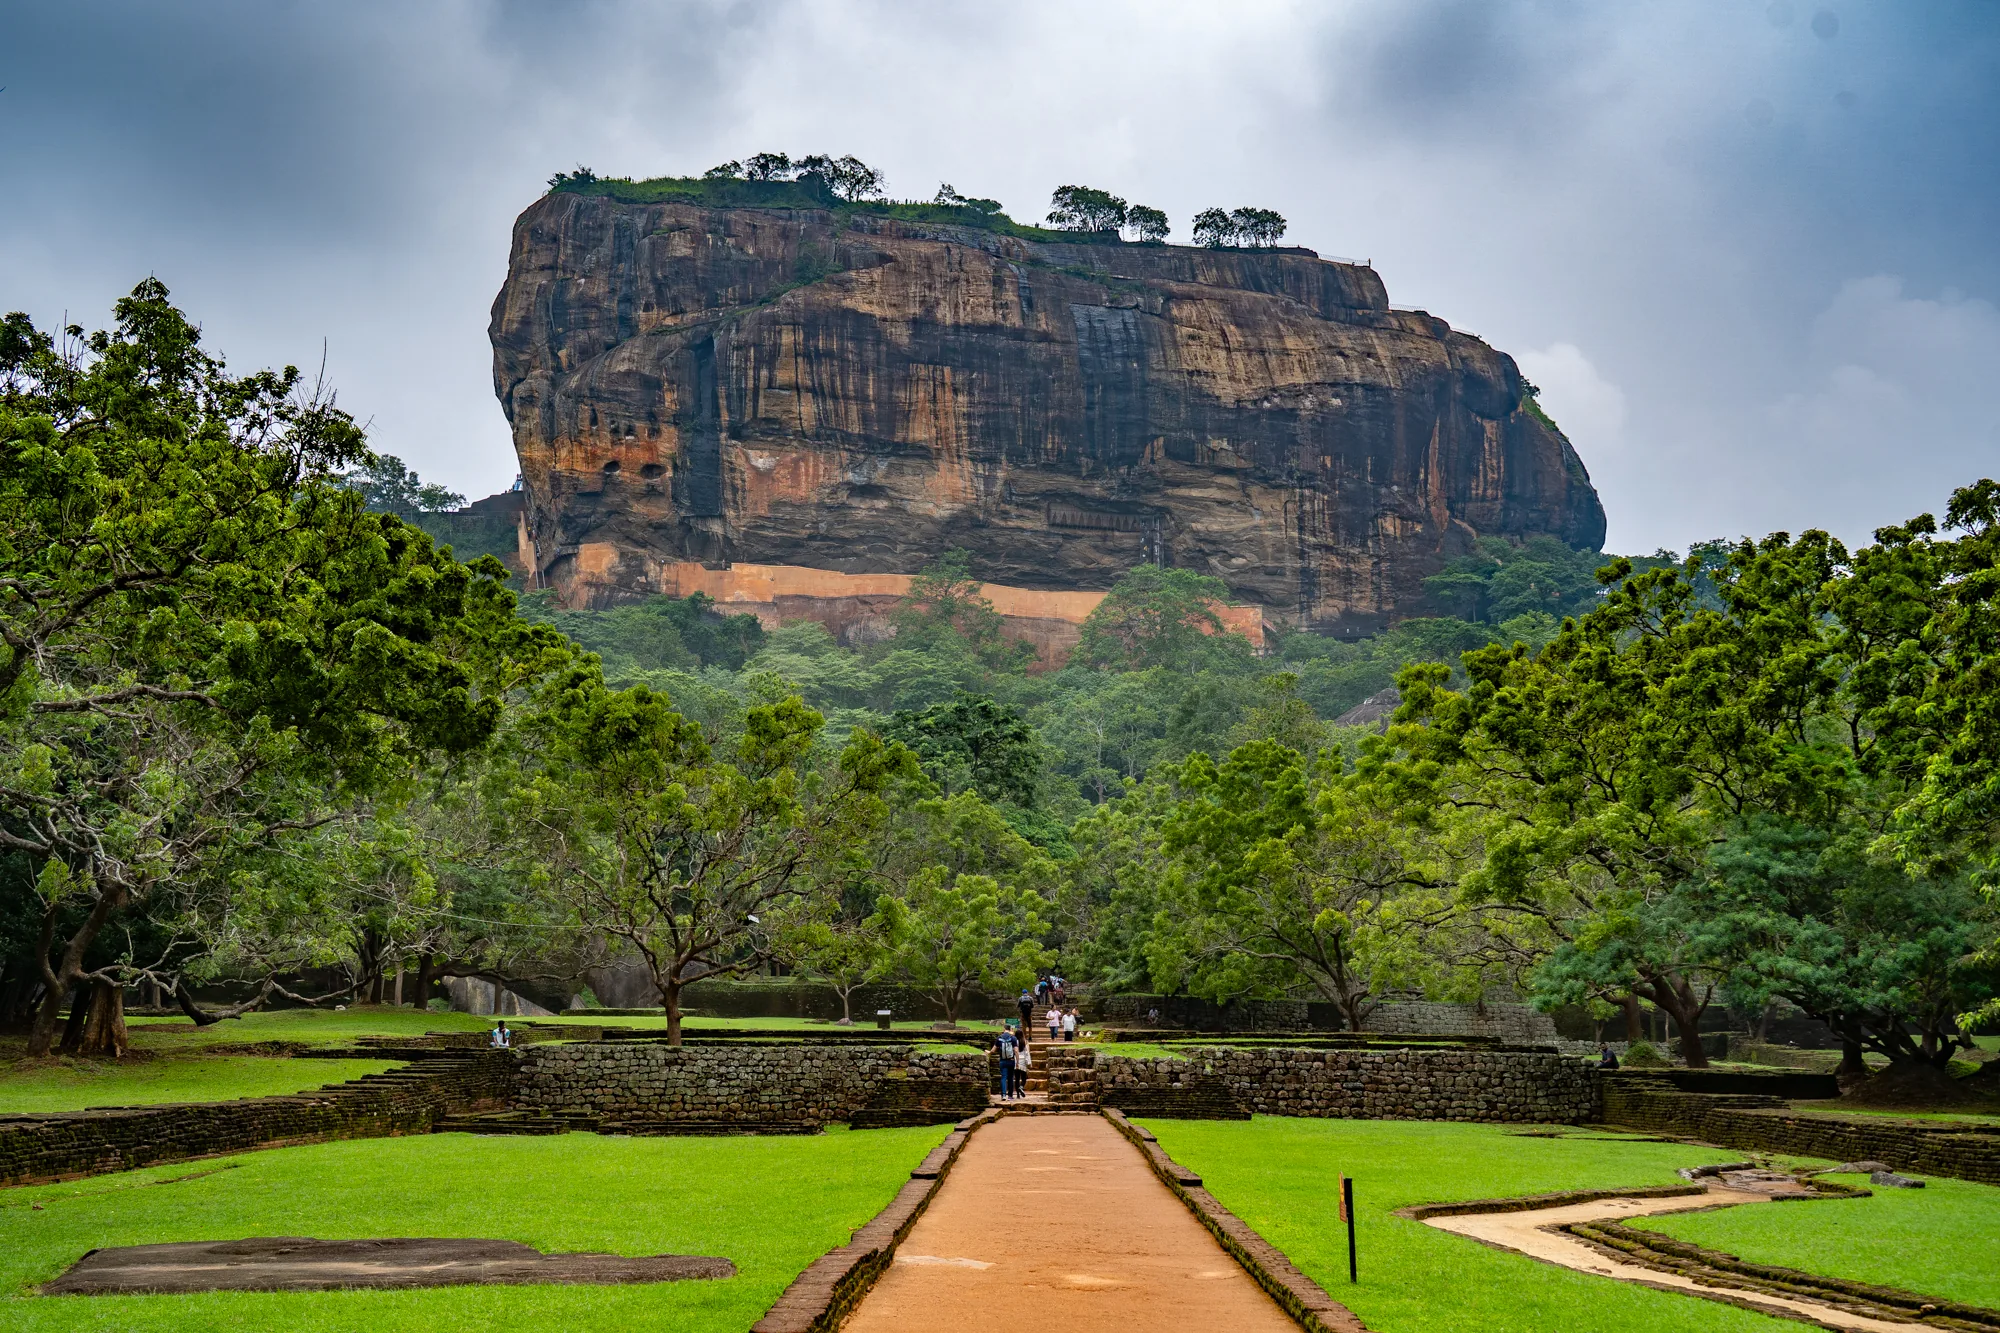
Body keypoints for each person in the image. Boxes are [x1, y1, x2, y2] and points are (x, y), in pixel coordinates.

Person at [996, 1027, 1018, 1098]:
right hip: (1011, 1060)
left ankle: (1003, 1095)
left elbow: (993, 1049)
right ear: (1010, 1029)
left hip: (1003, 1060)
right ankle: (1010, 1095)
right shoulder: (1013, 1038)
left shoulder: (999, 1038)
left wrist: (989, 1052)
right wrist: (1017, 1061)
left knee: (1003, 1077)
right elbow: (1016, 1050)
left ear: (1004, 1029)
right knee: (1010, 1078)